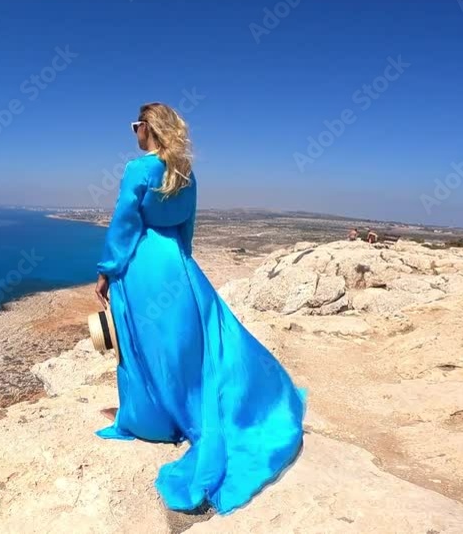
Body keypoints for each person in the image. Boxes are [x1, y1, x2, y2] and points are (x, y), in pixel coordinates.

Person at [94, 102, 305, 514]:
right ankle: (210, 407)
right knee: (191, 344)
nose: (134, 132)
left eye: (135, 125)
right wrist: (184, 261)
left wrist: (107, 270)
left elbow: (124, 224)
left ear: (148, 128)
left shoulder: (138, 169)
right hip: (178, 264)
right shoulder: (185, 172)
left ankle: (151, 419)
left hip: (143, 264)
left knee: (143, 345)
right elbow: (186, 225)